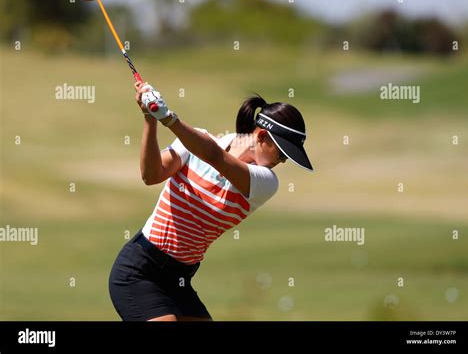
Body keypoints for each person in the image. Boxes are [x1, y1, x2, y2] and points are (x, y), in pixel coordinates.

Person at [108, 81, 314, 321]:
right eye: (281, 153)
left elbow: (216, 157)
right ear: (261, 135)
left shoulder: (266, 181)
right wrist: (150, 119)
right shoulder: (196, 143)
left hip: (179, 279)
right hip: (139, 270)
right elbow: (150, 175)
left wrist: (169, 119)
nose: (282, 161)